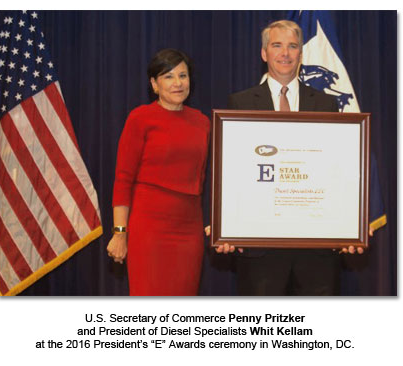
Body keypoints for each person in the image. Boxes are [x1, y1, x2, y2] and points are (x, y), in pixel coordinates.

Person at [217, 20, 365, 296]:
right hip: (260, 249)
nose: (285, 53)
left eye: (292, 46)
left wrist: (348, 227)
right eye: (277, 45)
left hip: (317, 250)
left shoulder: (326, 104)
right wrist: (225, 227)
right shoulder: (241, 103)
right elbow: (231, 172)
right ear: (264, 53)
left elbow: (338, 172)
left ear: (301, 53)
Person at [107, 48, 210, 296]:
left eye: (183, 76)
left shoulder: (203, 122)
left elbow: (209, 180)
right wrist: (120, 233)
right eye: (168, 76)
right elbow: (123, 179)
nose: (177, 83)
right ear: (154, 84)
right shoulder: (140, 118)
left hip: (189, 231)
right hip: (149, 229)